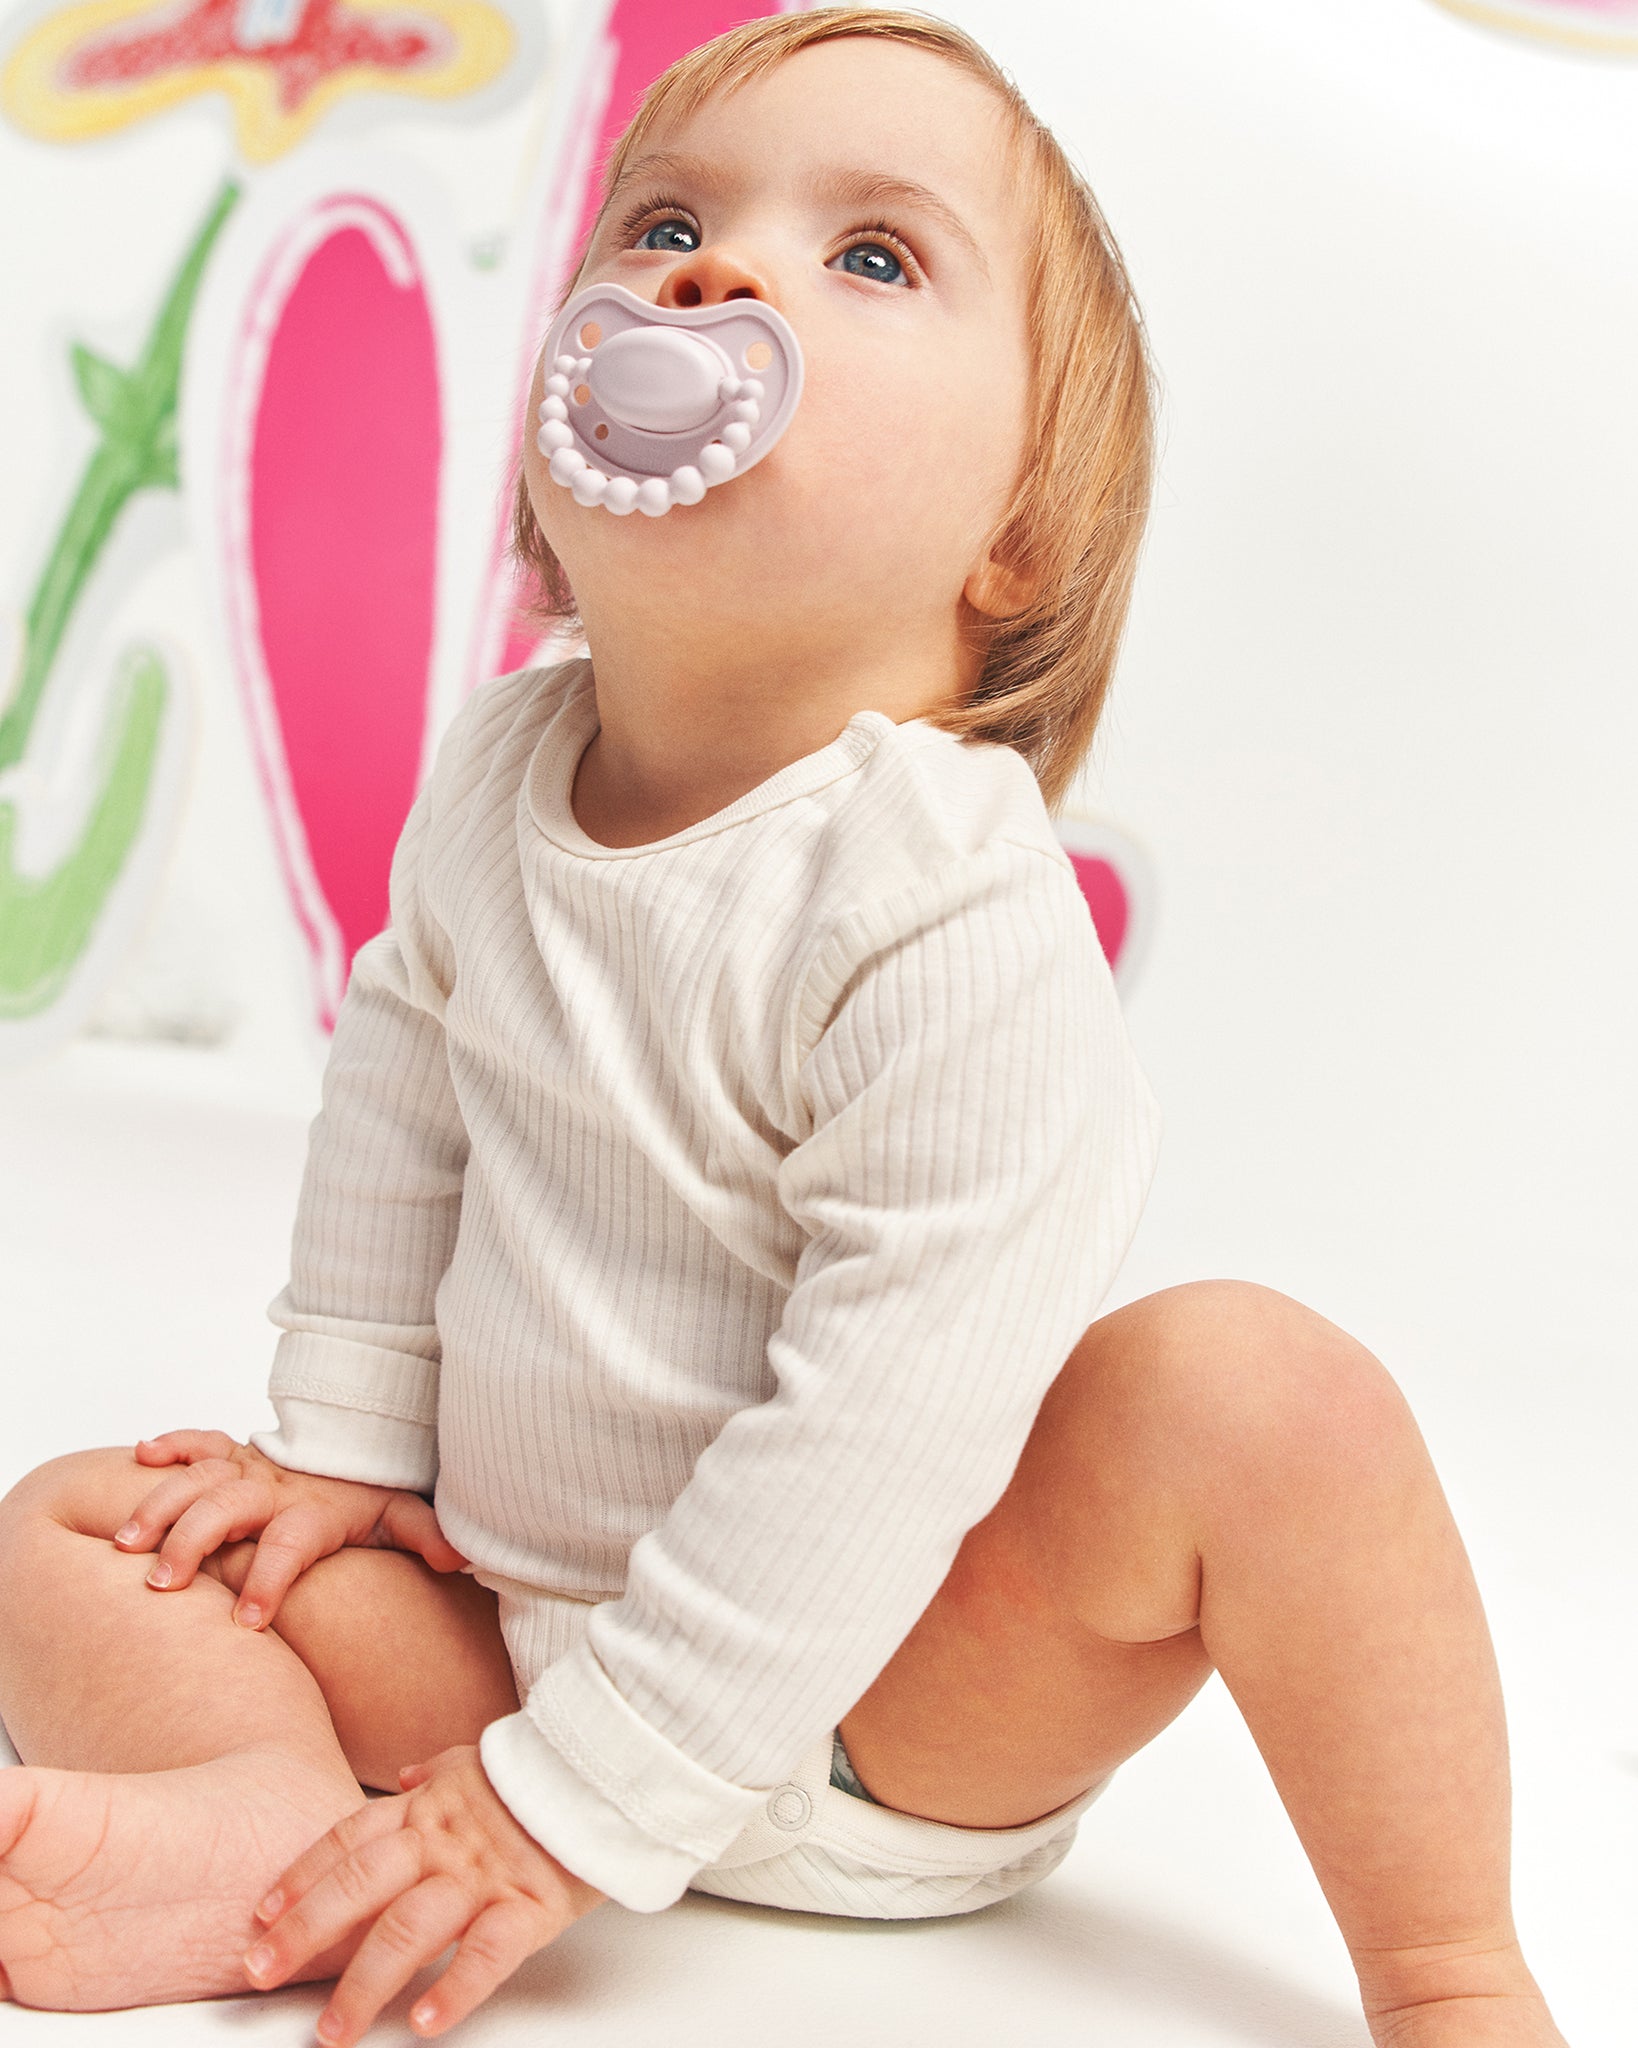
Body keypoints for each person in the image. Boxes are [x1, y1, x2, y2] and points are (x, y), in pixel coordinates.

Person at [0, 10, 1567, 2044]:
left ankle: (1448, 1972)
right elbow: (401, 1094)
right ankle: (276, 1823)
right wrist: (345, 1452)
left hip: (888, 1698)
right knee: (84, 1521)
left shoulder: (936, 896)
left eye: (874, 255)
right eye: (662, 224)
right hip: (502, 1642)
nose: (711, 275)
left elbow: (891, 1409)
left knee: (1261, 1393)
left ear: (1017, 536)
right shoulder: (499, 768)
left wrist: (595, 1794)